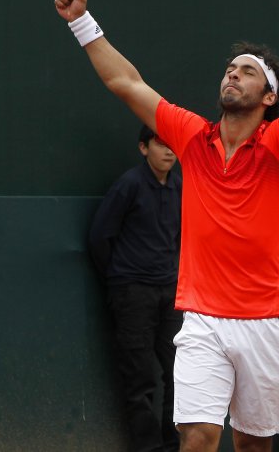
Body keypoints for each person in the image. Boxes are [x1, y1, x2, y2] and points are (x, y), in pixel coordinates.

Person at [56, 0, 279, 452]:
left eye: (246, 72)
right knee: (198, 437)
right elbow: (125, 83)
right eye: (230, 70)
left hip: (265, 322)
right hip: (201, 318)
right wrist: (82, 23)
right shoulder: (191, 136)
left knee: (252, 445)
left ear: (268, 96)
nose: (232, 76)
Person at [88, 124, 182, 452]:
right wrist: (121, 280)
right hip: (132, 295)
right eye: (160, 144)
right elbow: (100, 237)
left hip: (171, 293)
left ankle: (175, 446)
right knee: (140, 379)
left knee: (180, 373)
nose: (169, 150)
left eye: (174, 145)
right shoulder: (128, 185)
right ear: (144, 148)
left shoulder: (180, 186)